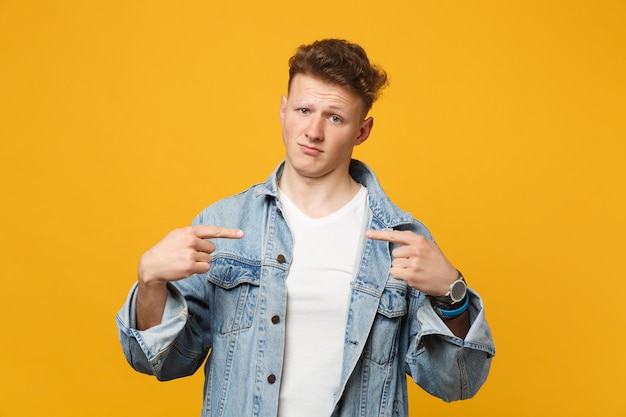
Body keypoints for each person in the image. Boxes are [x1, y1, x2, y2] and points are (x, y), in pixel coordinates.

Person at [116, 38, 495, 417]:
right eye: (303, 109)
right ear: (283, 110)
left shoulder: (401, 240)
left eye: (334, 117)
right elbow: (161, 362)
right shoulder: (223, 225)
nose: (313, 131)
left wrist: (453, 294)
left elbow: (456, 381)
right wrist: (151, 283)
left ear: (362, 131)